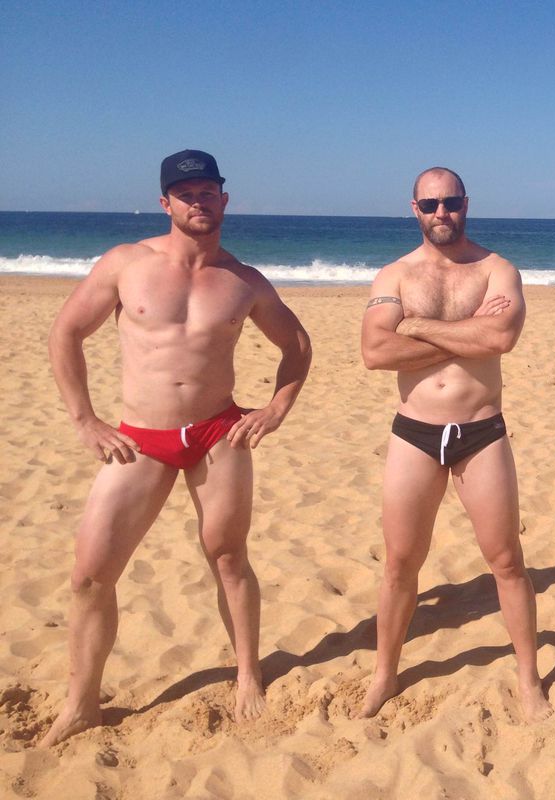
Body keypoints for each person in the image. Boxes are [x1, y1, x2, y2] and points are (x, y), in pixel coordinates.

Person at [41, 149, 312, 746]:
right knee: (90, 575)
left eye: (207, 191)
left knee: (228, 556)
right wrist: (84, 419)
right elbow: (66, 332)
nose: (198, 201)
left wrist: (276, 408)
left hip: (218, 432)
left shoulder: (243, 280)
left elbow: (296, 344)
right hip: (141, 438)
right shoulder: (126, 263)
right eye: (186, 194)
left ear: (224, 198)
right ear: (166, 203)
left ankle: (248, 674)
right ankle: (82, 703)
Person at [358, 167, 552, 722]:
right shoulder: (395, 275)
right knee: (400, 563)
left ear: (466, 203)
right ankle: (385, 673)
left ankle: (528, 677)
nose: (441, 213)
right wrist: (465, 333)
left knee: (506, 560)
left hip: (480, 431)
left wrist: (415, 326)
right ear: (414, 209)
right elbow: (375, 352)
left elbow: (501, 337)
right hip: (414, 433)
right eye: (430, 204)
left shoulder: (497, 270)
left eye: (450, 202)